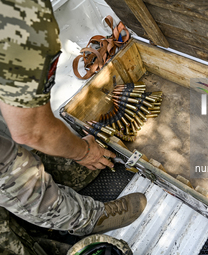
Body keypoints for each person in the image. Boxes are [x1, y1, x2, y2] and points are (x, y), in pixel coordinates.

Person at [0, 0, 146, 254]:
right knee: (13, 179)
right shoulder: (20, 20)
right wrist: (83, 152)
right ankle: (87, 219)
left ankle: (36, 211)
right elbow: (32, 131)